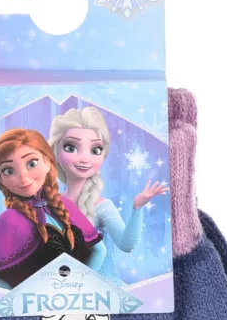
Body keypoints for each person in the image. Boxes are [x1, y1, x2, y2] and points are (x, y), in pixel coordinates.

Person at [49, 107, 167, 283]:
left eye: (95, 150)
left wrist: (137, 207)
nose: (84, 158)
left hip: (102, 284)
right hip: (60, 283)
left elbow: (126, 244)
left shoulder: (102, 207)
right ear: (55, 152)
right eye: (71, 147)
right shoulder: (50, 203)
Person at [0, 128, 103, 288]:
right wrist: (25, 298)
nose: (23, 177)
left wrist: (80, 286)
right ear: (0, 179)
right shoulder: (9, 220)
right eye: (9, 171)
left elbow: (99, 250)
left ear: (47, 162)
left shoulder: (65, 205)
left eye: (32, 163)